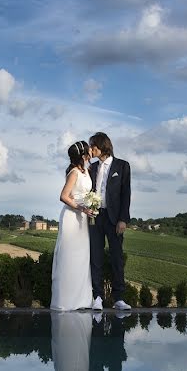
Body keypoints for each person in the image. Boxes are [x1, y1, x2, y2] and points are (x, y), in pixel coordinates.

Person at [88, 132, 132, 311]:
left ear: (102, 146)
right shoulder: (90, 168)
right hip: (95, 217)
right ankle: (97, 297)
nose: (91, 149)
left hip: (114, 219)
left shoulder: (122, 166)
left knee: (116, 258)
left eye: (93, 146)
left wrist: (123, 219)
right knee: (96, 257)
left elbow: (126, 194)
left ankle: (119, 298)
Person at [51, 141, 94, 311]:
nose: (91, 150)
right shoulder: (74, 172)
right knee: (70, 257)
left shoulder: (86, 170)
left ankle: (81, 300)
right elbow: (63, 196)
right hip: (72, 217)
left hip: (82, 219)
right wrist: (81, 207)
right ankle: (67, 301)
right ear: (84, 154)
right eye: (88, 148)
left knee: (82, 257)